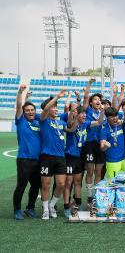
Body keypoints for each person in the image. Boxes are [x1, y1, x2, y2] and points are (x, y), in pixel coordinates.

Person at [39, 89, 77, 220]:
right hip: (46, 157)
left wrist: (75, 116)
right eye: (54, 107)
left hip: (61, 157)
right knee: (46, 185)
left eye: (56, 108)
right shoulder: (43, 120)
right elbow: (45, 110)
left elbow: (71, 129)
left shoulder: (60, 122)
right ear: (48, 109)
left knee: (61, 184)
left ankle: (51, 205)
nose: (56, 110)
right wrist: (57, 97)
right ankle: (45, 210)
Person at [63, 105, 104, 217]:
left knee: (77, 181)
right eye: (82, 113)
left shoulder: (85, 124)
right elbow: (70, 123)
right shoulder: (72, 123)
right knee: (68, 182)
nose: (84, 115)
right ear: (77, 114)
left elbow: (99, 122)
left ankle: (78, 203)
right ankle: (66, 207)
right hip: (70, 156)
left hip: (80, 156)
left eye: (85, 114)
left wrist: (102, 110)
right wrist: (72, 113)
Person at [13, 85, 41, 220]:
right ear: (23, 113)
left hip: (38, 160)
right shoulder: (21, 121)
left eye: (32, 110)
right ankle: (17, 210)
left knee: (36, 185)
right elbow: (19, 106)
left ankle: (30, 208)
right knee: (21, 185)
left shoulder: (38, 122)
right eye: (27, 110)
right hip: (24, 159)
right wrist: (21, 93)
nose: (30, 112)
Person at [100, 107, 125, 178]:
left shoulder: (120, 124)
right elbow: (102, 148)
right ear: (107, 117)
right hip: (112, 161)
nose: (115, 118)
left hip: (124, 159)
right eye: (112, 116)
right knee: (114, 185)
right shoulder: (104, 130)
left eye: (116, 116)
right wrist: (106, 145)